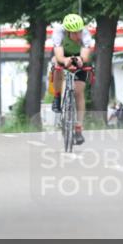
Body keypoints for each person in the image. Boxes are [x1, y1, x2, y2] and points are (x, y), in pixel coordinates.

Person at [50, 13, 94, 146]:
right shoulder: (59, 32)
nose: (77, 35)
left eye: (79, 31)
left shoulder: (85, 34)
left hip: (79, 56)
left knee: (79, 92)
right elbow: (59, 55)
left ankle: (78, 128)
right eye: (74, 33)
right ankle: (57, 96)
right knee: (56, 65)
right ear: (68, 31)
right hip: (63, 55)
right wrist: (65, 61)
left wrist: (80, 60)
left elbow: (85, 56)